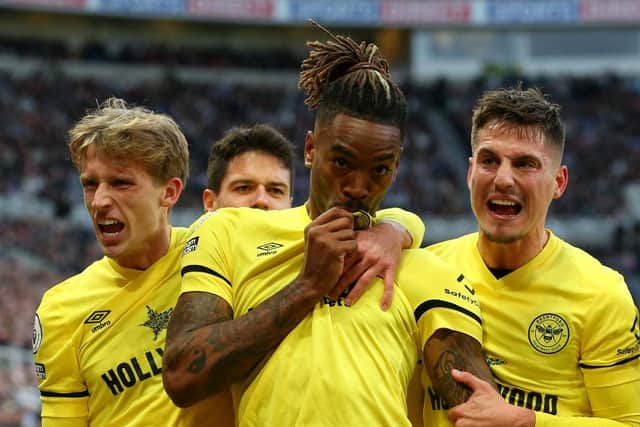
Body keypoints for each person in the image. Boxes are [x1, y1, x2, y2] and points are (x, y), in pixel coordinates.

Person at [163, 22, 493, 426]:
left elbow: (482, 413)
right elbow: (181, 377)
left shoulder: (424, 272)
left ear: (398, 165)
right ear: (309, 149)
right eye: (341, 162)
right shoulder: (228, 232)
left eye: (380, 169)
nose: (358, 186)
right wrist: (307, 286)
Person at [32, 100, 420, 426]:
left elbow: (349, 217)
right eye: (90, 183)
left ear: (169, 192)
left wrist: (392, 228)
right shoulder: (61, 310)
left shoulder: (224, 256)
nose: (99, 201)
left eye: (120, 183)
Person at [427, 86, 640, 425]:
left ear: (559, 181)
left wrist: (524, 421)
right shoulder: (426, 273)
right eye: (489, 160)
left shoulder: (601, 294)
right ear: (470, 173)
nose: (503, 178)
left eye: (525, 164)